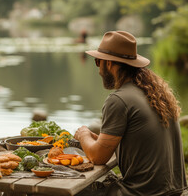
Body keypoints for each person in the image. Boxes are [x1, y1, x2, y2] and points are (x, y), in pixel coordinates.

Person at [74, 31, 187, 195]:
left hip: (140, 193)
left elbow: (98, 157)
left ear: (111, 64)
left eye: (98, 62)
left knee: (67, 191)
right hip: (173, 192)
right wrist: (100, 140)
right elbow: (138, 143)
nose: (98, 70)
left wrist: (83, 134)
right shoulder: (157, 93)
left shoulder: (118, 100)